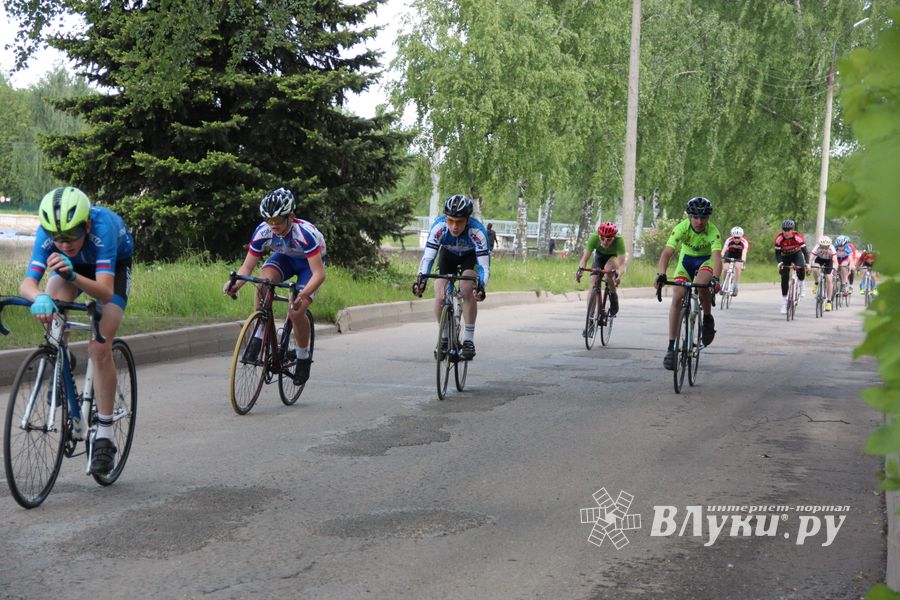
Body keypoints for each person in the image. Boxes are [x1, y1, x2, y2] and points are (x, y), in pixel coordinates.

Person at [21, 187, 134, 475]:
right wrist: (40, 298)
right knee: (51, 316)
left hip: (111, 270)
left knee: (99, 346)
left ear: (85, 225)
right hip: (72, 270)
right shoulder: (49, 235)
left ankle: (105, 436)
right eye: (57, 237)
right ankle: (63, 359)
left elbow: (105, 292)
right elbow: (27, 284)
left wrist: (72, 274)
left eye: (71, 235)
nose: (64, 242)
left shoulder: (103, 228)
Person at [223, 188, 326, 385]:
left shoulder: (305, 234)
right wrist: (235, 284)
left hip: (309, 265)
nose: (273, 225)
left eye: (278, 220)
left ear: (291, 216)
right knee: (263, 282)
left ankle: (303, 357)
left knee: (296, 311)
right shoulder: (263, 231)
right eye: (269, 220)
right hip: (285, 258)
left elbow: (319, 274)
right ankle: (260, 334)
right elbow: (247, 267)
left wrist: (302, 294)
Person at [412, 194, 490, 360]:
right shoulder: (439, 227)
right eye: (450, 221)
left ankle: (468, 340)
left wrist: (481, 285)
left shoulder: (477, 231)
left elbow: (484, 265)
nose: (454, 226)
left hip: (470, 258)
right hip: (447, 256)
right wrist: (421, 281)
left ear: (467, 220)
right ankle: (445, 337)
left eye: (459, 222)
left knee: (467, 288)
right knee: (440, 295)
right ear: (445, 219)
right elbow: (428, 258)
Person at [653, 197, 722, 370]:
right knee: (677, 296)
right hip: (686, 262)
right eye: (695, 217)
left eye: (703, 217)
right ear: (689, 216)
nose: (699, 221)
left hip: (706, 261)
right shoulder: (681, 228)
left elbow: (716, 258)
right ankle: (671, 347)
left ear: (708, 218)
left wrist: (716, 277)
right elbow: (667, 253)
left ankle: (707, 318)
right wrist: (661, 274)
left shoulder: (713, 231)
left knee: (701, 285)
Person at [576, 222, 627, 322]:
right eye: (602, 238)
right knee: (593, 281)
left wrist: (619, 276)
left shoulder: (619, 240)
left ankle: (613, 296)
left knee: (608, 271)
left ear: (614, 237)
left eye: (609, 239)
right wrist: (580, 270)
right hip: (599, 257)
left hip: (613, 258)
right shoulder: (594, 237)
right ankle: (590, 318)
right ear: (598, 236)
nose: (605, 242)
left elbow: (621, 264)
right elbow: (584, 260)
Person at [774, 219, 809, 314]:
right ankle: (785, 302)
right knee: (784, 277)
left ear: (792, 230)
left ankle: (802, 284)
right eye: (784, 230)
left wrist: (807, 263)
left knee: (801, 268)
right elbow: (777, 253)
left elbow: (805, 252)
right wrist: (780, 262)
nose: (786, 232)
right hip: (785, 256)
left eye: (788, 230)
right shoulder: (779, 238)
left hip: (796, 254)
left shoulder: (798, 237)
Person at [809, 235, 838, 311]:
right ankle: (816, 283)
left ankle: (829, 302)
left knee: (829, 278)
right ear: (820, 245)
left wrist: (835, 268)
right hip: (820, 260)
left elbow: (835, 261)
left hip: (829, 261)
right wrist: (809, 264)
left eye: (826, 247)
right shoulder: (817, 248)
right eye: (822, 247)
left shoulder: (832, 249)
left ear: (829, 246)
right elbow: (811, 257)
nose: (824, 249)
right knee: (815, 268)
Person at [722, 226, 749, 295]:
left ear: (741, 237)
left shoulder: (744, 242)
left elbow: (744, 253)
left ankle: (735, 286)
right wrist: (721, 256)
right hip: (730, 254)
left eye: (738, 238)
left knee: (737, 267)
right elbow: (724, 250)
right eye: (735, 237)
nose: (737, 239)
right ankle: (723, 283)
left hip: (739, 256)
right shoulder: (729, 240)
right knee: (725, 269)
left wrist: (743, 263)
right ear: (732, 236)